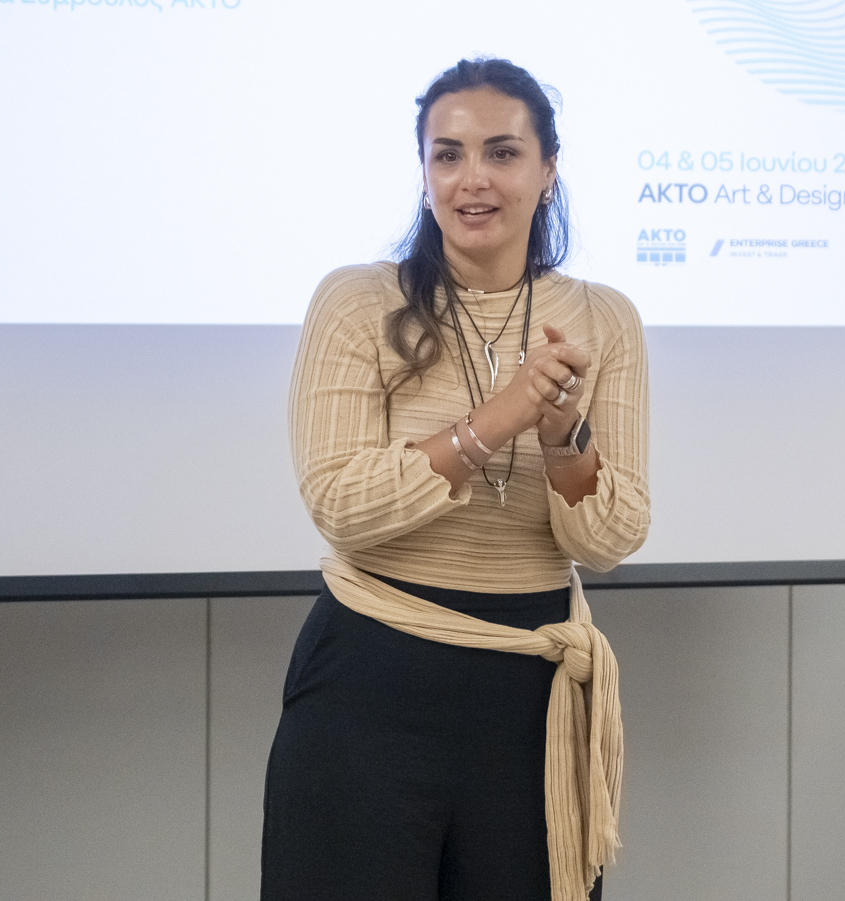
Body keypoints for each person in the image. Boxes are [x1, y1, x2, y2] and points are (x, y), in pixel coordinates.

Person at [262, 57, 651, 901]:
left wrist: (562, 437)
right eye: (448, 154)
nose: (472, 178)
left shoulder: (604, 317)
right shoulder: (356, 302)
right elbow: (342, 505)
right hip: (371, 678)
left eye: (502, 152)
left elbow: (611, 538)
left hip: (530, 693)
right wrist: (496, 420)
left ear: (548, 171)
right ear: (425, 171)